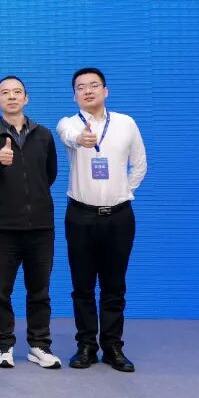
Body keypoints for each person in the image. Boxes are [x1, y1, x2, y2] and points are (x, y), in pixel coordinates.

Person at [56, 68, 147, 372]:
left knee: (114, 285)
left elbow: (140, 164)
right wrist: (81, 139)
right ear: (75, 95)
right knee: (82, 285)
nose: (88, 91)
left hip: (119, 217)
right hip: (80, 216)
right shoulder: (69, 124)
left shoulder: (126, 123)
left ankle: (112, 346)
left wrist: (122, 191)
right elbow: (69, 137)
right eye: (81, 87)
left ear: (105, 91)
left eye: (94, 85)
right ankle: (85, 345)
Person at [0, 76, 60, 369]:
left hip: (41, 227)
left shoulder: (44, 135)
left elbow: (49, 174)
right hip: (3, 229)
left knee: (40, 291)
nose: (11, 97)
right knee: (0, 291)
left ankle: (39, 345)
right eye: (5, 93)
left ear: (26, 98)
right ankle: (4, 346)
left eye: (17, 92)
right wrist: (0, 159)